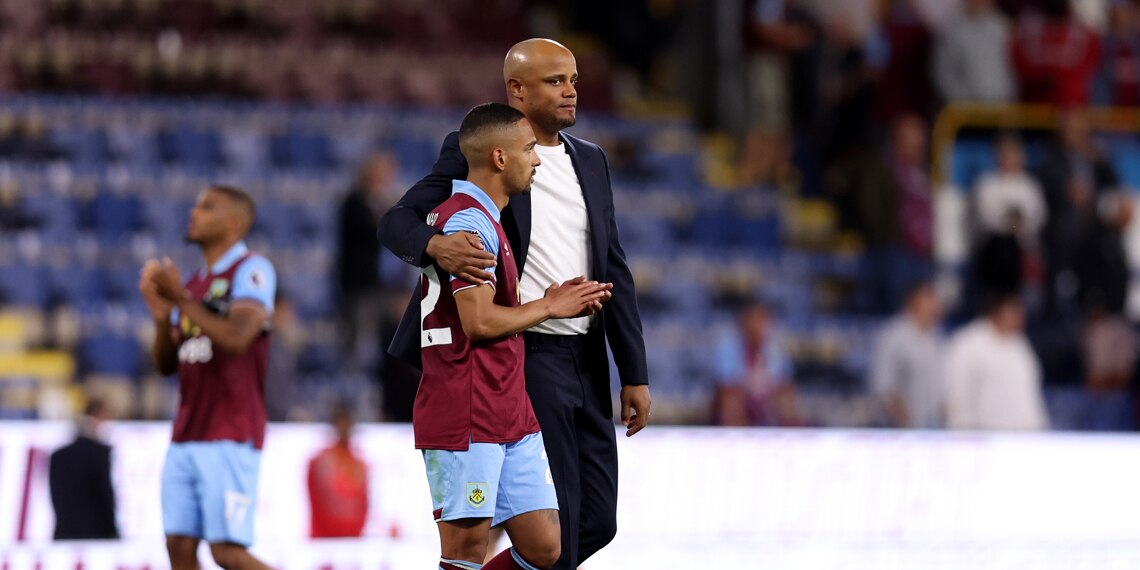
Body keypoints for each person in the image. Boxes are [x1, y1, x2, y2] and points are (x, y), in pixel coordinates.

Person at [379, 39, 651, 570]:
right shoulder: (476, 149)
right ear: (517, 91)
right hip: (520, 351)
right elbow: (396, 221)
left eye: (573, 79)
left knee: (597, 520)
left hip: (586, 356)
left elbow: (612, 264)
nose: (571, 90)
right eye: (556, 81)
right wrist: (435, 245)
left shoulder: (590, 160)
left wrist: (633, 371)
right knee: (557, 525)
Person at [414, 102, 611, 570]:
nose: (537, 159)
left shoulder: (489, 219)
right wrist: (549, 305)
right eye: (528, 150)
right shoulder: (467, 223)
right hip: (466, 408)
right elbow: (478, 323)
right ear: (500, 158)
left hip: (507, 407)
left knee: (545, 547)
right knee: (465, 551)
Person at [139, 184, 277, 570]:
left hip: (229, 432)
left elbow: (237, 338)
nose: (194, 212)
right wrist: (161, 315)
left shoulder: (251, 270)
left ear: (234, 222)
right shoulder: (196, 284)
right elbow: (167, 364)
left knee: (227, 552)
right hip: (186, 434)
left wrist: (181, 302)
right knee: (179, 548)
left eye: (206, 207)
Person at [943, 295, 1048, 430]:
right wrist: (961, 435)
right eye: (1014, 311)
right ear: (998, 312)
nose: (1021, 318)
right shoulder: (967, 344)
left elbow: (1031, 393)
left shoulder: (1019, 344)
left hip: (1025, 436)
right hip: (985, 437)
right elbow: (956, 395)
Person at [711, 300, 804, 427]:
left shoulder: (775, 345)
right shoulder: (729, 344)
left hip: (765, 399)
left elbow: (784, 383)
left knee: (785, 398)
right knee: (731, 400)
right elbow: (726, 384)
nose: (758, 325)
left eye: (762, 320)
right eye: (754, 319)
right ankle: (735, 437)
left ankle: (792, 437)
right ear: (743, 322)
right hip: (739, 397)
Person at [870, 281, 945, 429]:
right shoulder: (893, 336)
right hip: (901, 428)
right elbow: (883, 384)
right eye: (929, 299)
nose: (936, 305)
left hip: (933, 426)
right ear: (913, 301)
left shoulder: (938, 336)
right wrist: (900, 417)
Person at [48, 398, 119, 540]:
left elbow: (55, 497)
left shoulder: (58, 456)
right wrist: (112, 531)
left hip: (63, 533)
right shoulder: (100, 454)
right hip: (96, 535)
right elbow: (105, 495)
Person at [932, 0, 1016, 104]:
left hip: (1005, 107)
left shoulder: (1005, 27)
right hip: (967, 110)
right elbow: (944, 74)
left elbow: (1014, 72)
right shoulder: (950, 31)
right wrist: (964, 102)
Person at [307, 401, 369, 538]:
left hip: (352, 539)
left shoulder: (360, 464)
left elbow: (363, 506)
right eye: (340, 423)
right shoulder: (318, 462)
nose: (343, 428)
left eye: (347, 424)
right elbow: (316, 502)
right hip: (324, 539)